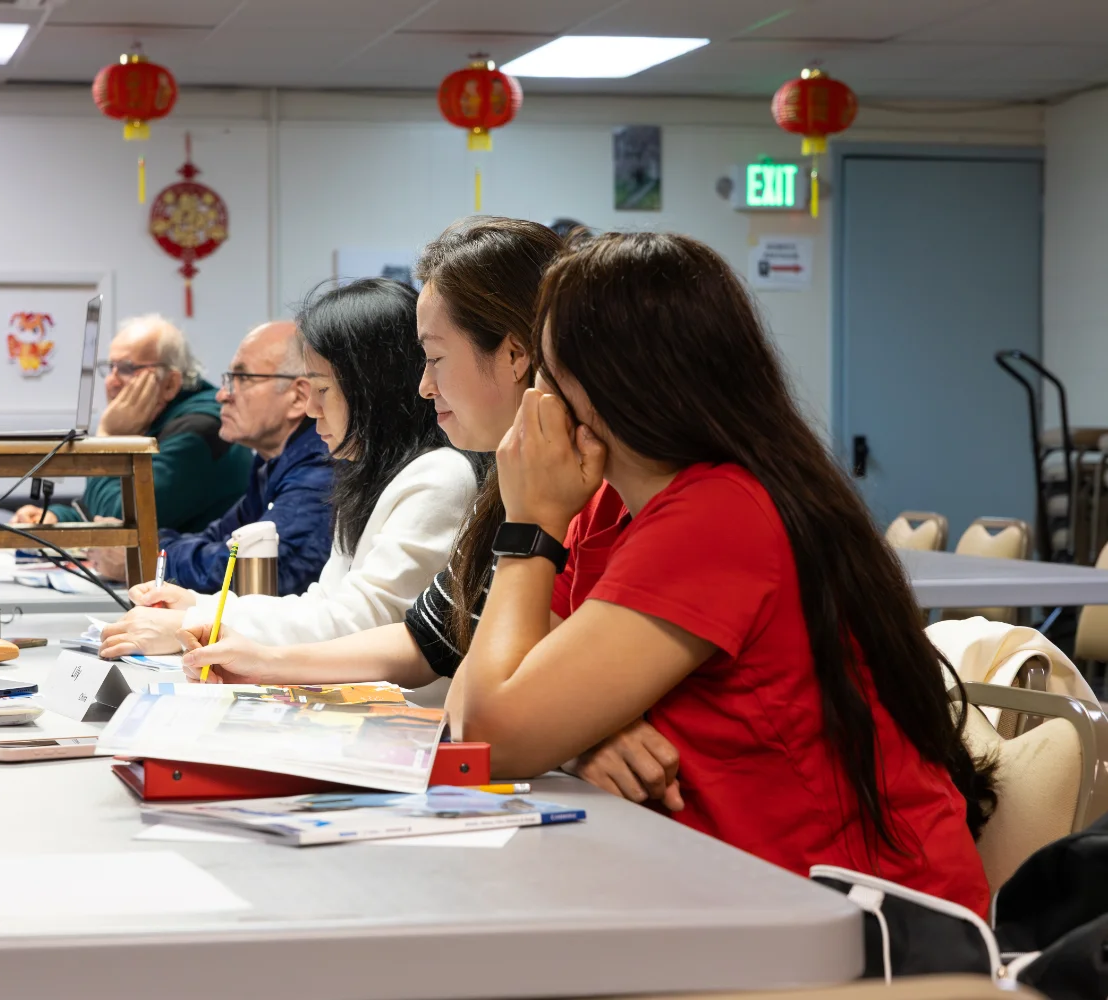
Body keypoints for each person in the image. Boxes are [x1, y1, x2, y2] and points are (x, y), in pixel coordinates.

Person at [442, 231, 994, 916]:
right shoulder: (608, 502)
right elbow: (475, 702)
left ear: (617, 387)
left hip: (859, 917)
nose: (537, 403)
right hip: (733, 891)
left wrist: (529, 527)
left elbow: (488, 738)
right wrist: (581, 729)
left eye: (551, 377)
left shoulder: (719, 512)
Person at [168, 217, 562, 681]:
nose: (424, 385)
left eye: (434, 359)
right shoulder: (499, 482)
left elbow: (388, 629)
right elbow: (424, 636)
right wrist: (233, 638)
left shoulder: (449, 476)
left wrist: (206, 619)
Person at [97, 277, 477, 655]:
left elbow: (362, 622)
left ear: (373, 389)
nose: (312, 410)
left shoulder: (438, 477)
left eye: (322, 391)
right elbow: (324, 602)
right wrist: (197, 605)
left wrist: (193, 622)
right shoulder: (364, 474)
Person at [10, 313, 252, 538]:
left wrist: (108, 438)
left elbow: (120, 520)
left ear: (170, 384)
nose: (112, 381)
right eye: (110, 367)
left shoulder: (201, 428)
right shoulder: (154, 418)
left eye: (126, 369)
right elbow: (107, 503)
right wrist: (57, 518)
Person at [157, 320, 334, 595]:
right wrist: (160, 547)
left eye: (242, 379)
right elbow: (221, 538)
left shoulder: (321, 467)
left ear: (299, 397)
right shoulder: (272, 462)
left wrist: (157, 553)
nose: (222, 395)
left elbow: (259, 571)